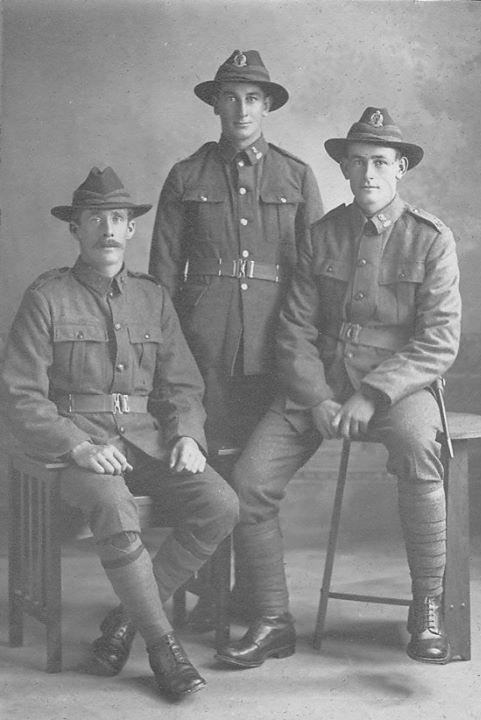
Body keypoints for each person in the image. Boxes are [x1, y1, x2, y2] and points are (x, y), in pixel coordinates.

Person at [215, 107, 461, 669]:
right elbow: (294, 331)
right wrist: (320, 397)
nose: (368, 174)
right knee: (250, 481)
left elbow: (439, 340)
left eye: (380, 162)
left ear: (400, 168)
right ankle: (273, 620)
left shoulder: (429, 239)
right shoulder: (321, 236)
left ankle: (427, 608)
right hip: (319, 384)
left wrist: (371, 394)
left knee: (421, 452)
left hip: (400, 386)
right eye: (356, 163)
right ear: (344, 172)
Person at [1, 167, 238, 698]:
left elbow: (182, 385)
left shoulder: (153, 297)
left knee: (221, 504)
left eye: (118, 218)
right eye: (94, 218)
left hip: (146, 439)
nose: (107, 228)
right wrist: (77, 445)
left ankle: (126, 622)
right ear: (75, 230)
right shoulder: (47, 297)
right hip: (73, 449)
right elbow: (19, 395)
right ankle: (162, 647)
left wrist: (187, 437)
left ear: (131, 229)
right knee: (114, 503)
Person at [144, 49, 322, 631]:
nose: (241, 108)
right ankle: (209, 593)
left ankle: (253, 596)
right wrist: (165, 353)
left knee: (256, 467)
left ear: (267, 106)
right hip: (205, 341)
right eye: (230, 97)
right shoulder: (186, 174)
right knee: (210, 468)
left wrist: (306, 348)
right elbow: (164, 277)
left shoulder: (295, 175)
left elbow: (314, 275)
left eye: (252, 98)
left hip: (277, 342)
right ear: (215, 104)